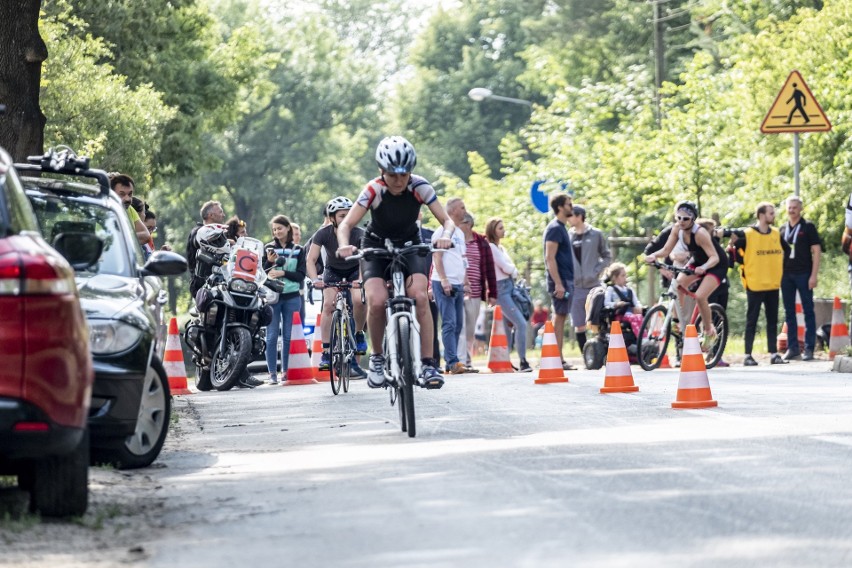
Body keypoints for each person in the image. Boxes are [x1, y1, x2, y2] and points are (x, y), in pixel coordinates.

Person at [336, 136, 451, 390]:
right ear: (381, 171)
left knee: (420, 296)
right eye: (392, 175)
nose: (399, 181)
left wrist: (446, 237)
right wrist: (344, 243)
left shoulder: (421, 187)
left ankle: (428, 363)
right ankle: (377, 359)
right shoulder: (373, 189)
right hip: (376, 245)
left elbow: (447, 221)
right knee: (376, 301)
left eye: (404, 174)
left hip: (410, 244)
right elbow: (346, 223)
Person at [644, 200, 728, 348]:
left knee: (700, 296)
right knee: (677, 286)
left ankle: (709, 331)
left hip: (715, 264)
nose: (681, 221)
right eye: (679, 218)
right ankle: (677, 323)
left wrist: (704, 267)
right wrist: (654, 256)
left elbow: (714, 257)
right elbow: (666, 250)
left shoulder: (700, 233)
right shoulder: (676, 229)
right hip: (697, 261)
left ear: (693, 219)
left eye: (686, 219)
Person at [306, 196, 367, 379]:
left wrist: (362, 280)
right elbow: (311, 259)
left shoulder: (359, 233)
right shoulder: (323, 233)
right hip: (332, 271)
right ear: (332, 218)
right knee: (328, 306)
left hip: (354, 270)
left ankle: (358, 333)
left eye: (349, 215)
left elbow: (365, 260)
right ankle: (326, 352)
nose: (346, 219)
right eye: (341, 216)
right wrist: (314, 279)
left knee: (358, 300)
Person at [722, 202, 786, 366]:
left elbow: (788, 251)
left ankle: (774, 354)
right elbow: (736, 255)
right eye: (771, 213)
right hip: (755, 283)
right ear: (761, 215)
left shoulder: (776, 234)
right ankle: (748, 355)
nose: (773, 216)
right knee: (752, 320)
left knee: (772, 321)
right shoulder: (748, 234)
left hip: (772, 283)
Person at [262, 215, 306, 384]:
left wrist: (283, 273)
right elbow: (262, 273)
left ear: (288, 228)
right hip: (273, 298)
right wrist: (269, 263)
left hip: (292, 297)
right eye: (274, 229)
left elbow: (301, 275)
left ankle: (286, 371)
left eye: (279, 228)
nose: (277, 232)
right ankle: (272, 373)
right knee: (271, 336)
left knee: (288, 336)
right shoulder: (268, 248)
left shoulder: (299, 250)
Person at [485, 217, 532, 372]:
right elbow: (507, 267)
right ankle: (523, 361)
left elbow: (510, 268)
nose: (503, 230)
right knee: (520, 323)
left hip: (509, 287)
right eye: (500, 228)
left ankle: (506, 360)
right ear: (493, 231)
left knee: (508, 326)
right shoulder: (491, 247)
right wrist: (513, 269)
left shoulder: (501, 248)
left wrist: (513, 269)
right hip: (501, 290)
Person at [779, 195, 822, 361]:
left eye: (794, 207)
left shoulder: (808, 227)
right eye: (789, 207)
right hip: (786, 274)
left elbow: (817, 251)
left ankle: (809, 348)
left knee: (808, 311)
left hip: (804, 274)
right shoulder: (782, 229)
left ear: (800, 209)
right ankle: (793, 348)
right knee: (789, 312)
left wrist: (814, 275)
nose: (791, 210)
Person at [432, 197, 469, 375]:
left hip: (458, 283)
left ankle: (451, 360)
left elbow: (462, 259)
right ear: (453, 210)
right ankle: (452, 361)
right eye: (462, 207)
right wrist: (444, 279)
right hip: (443, 282)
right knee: (449, 322)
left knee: (458, 324)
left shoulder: (460, 233)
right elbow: (437, 257)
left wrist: (466, 280)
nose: (465, 211)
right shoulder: (441, 231)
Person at [567, 205, 612, 354]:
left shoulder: (596, 234)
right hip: (575, 286)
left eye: (570, 215)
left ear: (579, 216)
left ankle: (602, 353)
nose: (568, 218)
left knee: (597, 321)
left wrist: (596, 271)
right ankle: (587, 357)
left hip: (593, 286)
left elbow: (606, 255)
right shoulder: (568, 236)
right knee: (579, 324)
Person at [458, 211, 496, 372]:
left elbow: (489, 269)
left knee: (470, 328)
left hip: (474, 292)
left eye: (459, 222)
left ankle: (466, 358)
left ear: (467, 224)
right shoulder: (454, 240)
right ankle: (461, 360)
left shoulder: (481, 242)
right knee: (459, 326)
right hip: (456, 290)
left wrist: (492, 293)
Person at [543, 191, 576, 370]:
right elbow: (550, 257)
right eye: (569, 204)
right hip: (560, 281)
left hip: (566, 280)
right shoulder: (555, 228)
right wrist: (558, 283)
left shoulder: (561, 228)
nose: (571, 207)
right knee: (559, 317)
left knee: (561, 316)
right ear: (560, 207)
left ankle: (557, 358)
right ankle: (557, 359)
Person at [186, 200, 226, 299]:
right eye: (220, 212)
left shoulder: (220, 235)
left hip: (220, 282)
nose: (223, 215)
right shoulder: (197, 232)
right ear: (211, 215)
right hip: (202, 284)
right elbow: (200, 241)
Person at [418, 211, 442, 370]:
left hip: (429, 286)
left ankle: (433, 363)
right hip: (407, 285)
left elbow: (437, 260)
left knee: (431, 322)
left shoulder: (430, 235)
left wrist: (432, 285)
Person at [603, 262, 643, 339]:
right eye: (623, 275)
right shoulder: (611, 289)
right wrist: (616, 304)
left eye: (625, 275)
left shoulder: (630, 290)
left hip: (631, 314)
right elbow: (606, 303)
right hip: (619, 315)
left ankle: (643, 339)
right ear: (615, 277)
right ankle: (641, 340)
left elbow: (636, 302)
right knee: (637, 318)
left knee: (640, 317)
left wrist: (638, 308)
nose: (625, 277)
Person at [109, 173, 151, 246]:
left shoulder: (129, 209)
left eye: (130, 194)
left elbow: (146, 236)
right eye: (122, 194)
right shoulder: (105, 210)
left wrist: (121, 238)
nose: (127, 199)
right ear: (111, 194)